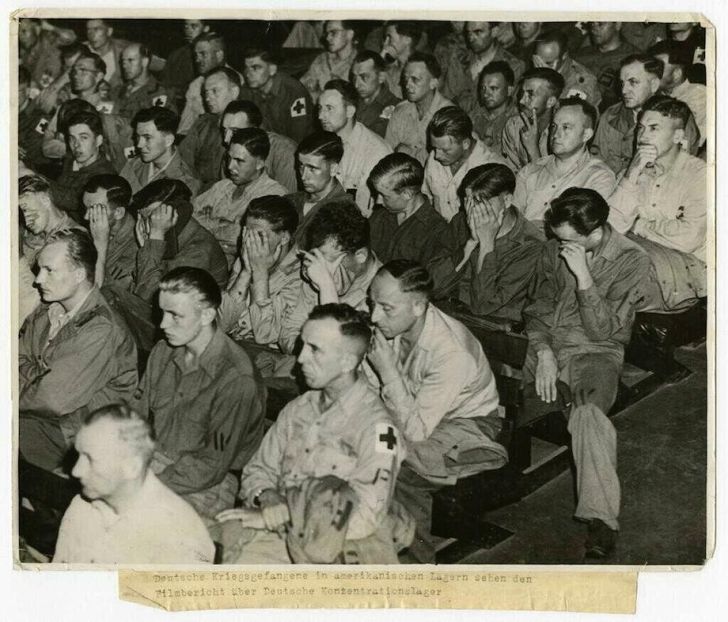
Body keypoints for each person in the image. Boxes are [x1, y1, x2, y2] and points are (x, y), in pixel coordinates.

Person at [219, 303, 408, 564]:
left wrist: (286, 512)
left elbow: (366, 516)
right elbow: (258, 469)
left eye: (315, 349)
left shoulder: (377, 428)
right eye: (303, 345)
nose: (300, 358)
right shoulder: (299, 409)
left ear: (347, 362)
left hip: (336, 550)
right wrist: (267, 496)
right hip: (279, 532)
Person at [522, 187, 652, 559]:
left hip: (595, 351)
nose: (556, 244)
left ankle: (602, 519)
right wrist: (544, 349)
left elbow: (604, 332)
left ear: (594, 231)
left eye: (566, 239)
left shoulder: (632, 260)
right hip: (546, 345)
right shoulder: (555, 248)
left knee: (588, 416)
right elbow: (537, 307)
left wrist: (584, 279)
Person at [365, 259, 507, 563]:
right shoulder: (399, 324)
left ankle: (414, 566)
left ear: (418, 306)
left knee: (401, 462)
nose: (374, 317)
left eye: (386, 308)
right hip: (420, 414)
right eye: (372, 303)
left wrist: (388, 372)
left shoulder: (451, 352)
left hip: (467, 426)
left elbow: (416, 432)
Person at [131, 267, 266, 523]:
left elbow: (211, 465)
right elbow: (136, 417)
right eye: (162, 312)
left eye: (175, 316)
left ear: (207, 314)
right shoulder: (163, 352)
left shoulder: (236, 379)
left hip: (207, 486)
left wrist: (144, 487)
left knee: (137, 522)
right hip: (154, 460)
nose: (162, 324)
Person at [19, 229, 138, 473]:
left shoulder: (101, 329)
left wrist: (30, 376)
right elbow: (14, 357)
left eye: (49, 270)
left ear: (79, 274)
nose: (38, 280)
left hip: (83, 435)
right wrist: (40, 375)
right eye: (39, 269)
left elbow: (51, 399)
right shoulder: (47, 310)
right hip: (46, 420)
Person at [53, 403, 215, 564]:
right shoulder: (82, 506)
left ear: (131, 467)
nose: (76, 471)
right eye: (79, 455)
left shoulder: (180, 537)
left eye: (90, 459)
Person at [608, 96, 707, 310]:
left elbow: (689, 238)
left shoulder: (702, 175)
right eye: (641, 128)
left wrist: (638, 225)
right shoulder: (632, 171)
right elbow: (611, 226)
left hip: (687, 271)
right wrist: (632, 175)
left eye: (654, 128)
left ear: (678, 136)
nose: (643, 136)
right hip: (639, 259)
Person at [277, 200, 380, 360]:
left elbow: (338, 355)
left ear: (360, 256)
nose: (319, 269)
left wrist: (327, 286)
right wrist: (308, 350)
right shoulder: (317, 269)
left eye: (329, 262)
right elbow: (288, 333)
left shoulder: (382, 294)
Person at [447, 163, 544, 322]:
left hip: (492, 328)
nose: (472, 211)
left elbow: (482, 306)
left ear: (506, 200)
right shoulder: (460, 221)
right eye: (467, 201)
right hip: (451, 314)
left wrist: (486, 245)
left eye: (481, 202)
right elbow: (435, 285)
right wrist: (470, 243)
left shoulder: (531, 245)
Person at [512, 97, 616, 224]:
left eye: (566, 127)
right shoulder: (530, 171)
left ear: (586, 135)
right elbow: (512, 220)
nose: (555, 134)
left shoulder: (599, 177)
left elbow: (581, 230)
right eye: (554, 126)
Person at [192, 127, 286, 265]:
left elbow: (240, 237)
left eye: (239, 161)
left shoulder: (274, 195)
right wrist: (224, 225)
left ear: (260, 163)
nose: (230, 166)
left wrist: (208, 222)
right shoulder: (222, 186)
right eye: (229, 158)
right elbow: (189, 216)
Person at [218, 195, 302, 347]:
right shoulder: (245, 258)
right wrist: (245, 271)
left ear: (284, 238)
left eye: (258, 235)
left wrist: (260, 274)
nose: (248, 241)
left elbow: (266, 335)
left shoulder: (301, 274)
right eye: (246, 232)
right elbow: (221, 323)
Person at [131, 178, 229, 304]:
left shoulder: (198, 251)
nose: (141, 225)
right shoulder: (174, 233)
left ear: (174, 215)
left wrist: (153, 242)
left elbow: (148, 298)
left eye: (152, 217)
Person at [367, 153, 453, 291]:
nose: (378, 201)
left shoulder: (436, 232)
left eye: (384, 196)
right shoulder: (380, 216)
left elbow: (428, 288)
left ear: (407, 194)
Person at [318, 79, 392, 216]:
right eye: (320, 108)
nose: (320, 116)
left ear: (350, 111)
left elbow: (368, 213)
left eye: (329, 108)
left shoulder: (375, 152)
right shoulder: (324, 143)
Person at [423, 105, 508, 222]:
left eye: (445, 150)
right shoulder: (434, 159)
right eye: (434, 147)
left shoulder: (492, 168)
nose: (437, 155)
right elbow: (427, 198)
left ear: (465, 144)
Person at [591, 54, 665, 174]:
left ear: (654, 85)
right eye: (622, 83)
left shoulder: (675, 118)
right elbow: (596, 162)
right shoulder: (611, 115)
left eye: (633, 82)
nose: (624, 90)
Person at [440, 21, 525, 115]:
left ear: (494, 32)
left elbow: (510, 109)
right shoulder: (459, 61)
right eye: (468, 33)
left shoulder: (514, 66)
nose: (471, 38)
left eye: (478, 32)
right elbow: (446, 99)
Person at [178, 66, 242, 190]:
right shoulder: (203, 123)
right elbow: (183, 161)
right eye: (206, 93)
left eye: (215, 91)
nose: (208, 98)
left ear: (234, 92)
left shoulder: (249, 124)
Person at [384, 53, 454, 165]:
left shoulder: (449, 115)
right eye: (405, 79)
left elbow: (443, 162)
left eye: (415, 79)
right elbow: (387, 153)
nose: (407, 85)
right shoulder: (401, 110)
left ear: (433, 83)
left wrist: (404, 151)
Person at [286, 131, 354, 245]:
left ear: (333, 169)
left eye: (312, 169)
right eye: (301, 166)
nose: (303, 176)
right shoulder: (292, 201)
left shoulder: (344, 213)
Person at [218, 99, 298, 193]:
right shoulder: (231, 152)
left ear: (254, 129)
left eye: (235, 131)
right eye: (224, 130)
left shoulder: (284, 152)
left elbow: (289, 200)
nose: (226, 139)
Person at [51, 110, 117, 222]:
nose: (76, 145)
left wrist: (34, 177)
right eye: (72, 138)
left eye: (84, 137)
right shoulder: (71, 160)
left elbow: (74, 200)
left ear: (98, 140)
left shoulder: (105, 174)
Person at [239, 47, 315, 143]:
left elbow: (298, 138)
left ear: (272, 69)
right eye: (246, 68)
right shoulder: (247, 90)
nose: (248, 74)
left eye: (255, 68)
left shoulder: (293, 92)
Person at [120, 106, 201, 195]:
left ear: (168, 140)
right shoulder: (135, 164)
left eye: (147, 138)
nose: (139, 145)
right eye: (138, 137)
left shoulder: (186, 182)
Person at [501, 67, 564, 170]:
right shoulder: (514, 125)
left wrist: (533, 148)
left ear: (550, 102)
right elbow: (510, 174)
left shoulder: (562, 134)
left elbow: (553, 183)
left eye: (530, 95)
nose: (521, 101)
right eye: (522, 93)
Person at [81, 174, 137, 290]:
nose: (86, 217)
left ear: (118, 213)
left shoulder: (135, 249)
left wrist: (100, 243)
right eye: (85, 208)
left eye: (95, 210)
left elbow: (96, 291)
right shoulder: (95, 227)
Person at [648, 40, 707, 148]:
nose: (651, 73)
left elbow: (693, 143)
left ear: (676, 74)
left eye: (659, 68)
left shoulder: (700, 96)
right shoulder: (652, 95)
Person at [177, 32, 237, 135]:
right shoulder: (196, 85)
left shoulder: (235, 80)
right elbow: (185, 127)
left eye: (203, 54)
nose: (197, 60)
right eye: (196, 55)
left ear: (219, 55)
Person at [19, 174, 83, 265]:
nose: (24, 218)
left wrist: (19, 256)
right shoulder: (37, 231)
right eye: (20, 213)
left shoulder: (72, 238)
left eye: (25, 209)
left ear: (45, 200)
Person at [574, 21, 639, 111]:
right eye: (592, 24)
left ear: (617, 25)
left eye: (600, 24)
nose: (594, 29)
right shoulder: (581, 55)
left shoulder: (634, 59)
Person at [532, 30, 601, 107]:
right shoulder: (535, 66)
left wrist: (546, 82)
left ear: (564, 56)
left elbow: (565, 116)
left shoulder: (582, 82)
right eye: (537, 59)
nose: (540, 66)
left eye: (549, 63)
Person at [112, 42, 173, 121]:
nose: (124, 66)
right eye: (123, 61)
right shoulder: (116, 92)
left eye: (130, 60)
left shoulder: (160, 93)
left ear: (145, 62)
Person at [160, 19, 211, 111]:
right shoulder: (176, 56)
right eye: (186, 26)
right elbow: (164, 86)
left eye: (194, 26)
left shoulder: (212, 57)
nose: (188, 31)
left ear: (206, 28)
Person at [300, 20, 358, 101]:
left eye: (333, 32)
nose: (328, 38)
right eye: (327, 33)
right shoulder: (322, 59)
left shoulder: (360, 63)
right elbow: (302, 88)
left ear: (349, 34)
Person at [350, 50, 402, 138]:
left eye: (364, 77)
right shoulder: (351, 101)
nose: (356, 84)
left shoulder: (397, 107)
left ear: (381, 77)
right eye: (354, 77)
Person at [469, 61, 517, 155]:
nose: (486, 94)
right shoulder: (474, 115)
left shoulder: (516, 120)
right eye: (483, 88)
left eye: (493, 88)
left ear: (509, 90)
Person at [380, 21, 424, 99]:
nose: (385, 44)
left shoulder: (421, 69)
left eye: (390, 37)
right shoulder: (390, 68)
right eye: (385, 38)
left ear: (407, 40)